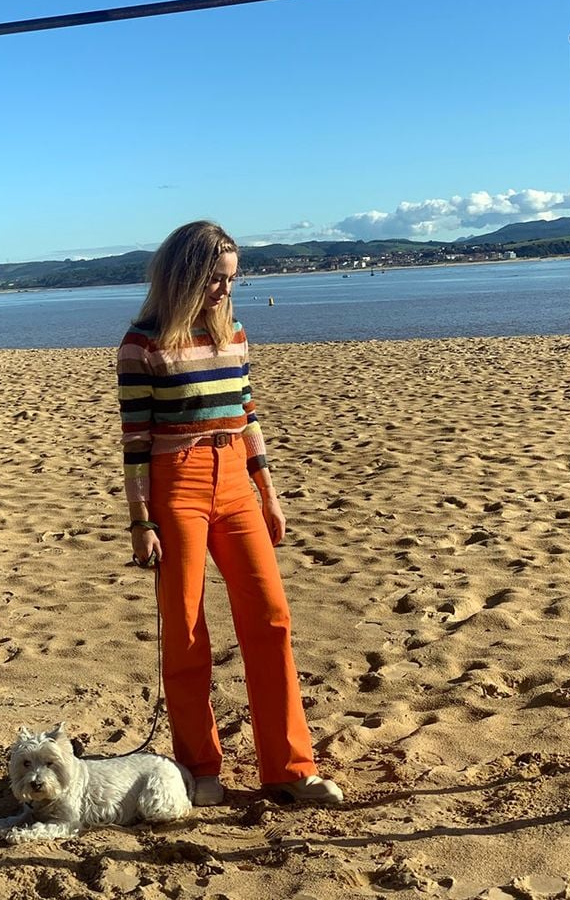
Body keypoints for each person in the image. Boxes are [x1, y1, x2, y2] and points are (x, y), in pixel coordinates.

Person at [117, 220, 343, 807]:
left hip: (238, 480)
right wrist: (140, 519)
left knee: (270, 617)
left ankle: (289, 768)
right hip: (177, 485)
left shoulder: (234, 334)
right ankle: (199, 769)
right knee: (188, 631)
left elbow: (247, 413)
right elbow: (135, 441)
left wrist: (269, 492)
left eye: (231, 280)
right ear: (185, 276)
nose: (224, 290)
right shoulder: (141, 344)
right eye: (215, 279)